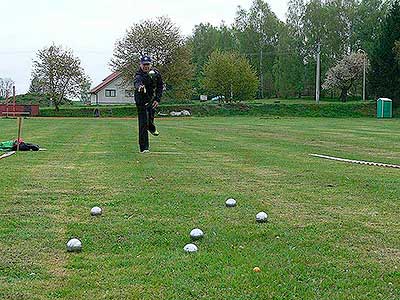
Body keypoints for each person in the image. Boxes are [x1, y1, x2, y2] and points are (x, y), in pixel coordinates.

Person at [134, 55, 163, 153]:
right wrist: (140, 87)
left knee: (150, 119)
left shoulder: (156, 73)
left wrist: (157, 99)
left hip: (151, 99)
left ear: (150, 64)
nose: (146, 66)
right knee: (143, 123)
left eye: (148, 64)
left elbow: (160, 86)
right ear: (140, 65)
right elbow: (137, 83)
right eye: (144, 65)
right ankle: (144, 148)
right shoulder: (138, 75)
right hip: (141, 100)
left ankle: (151, 127)